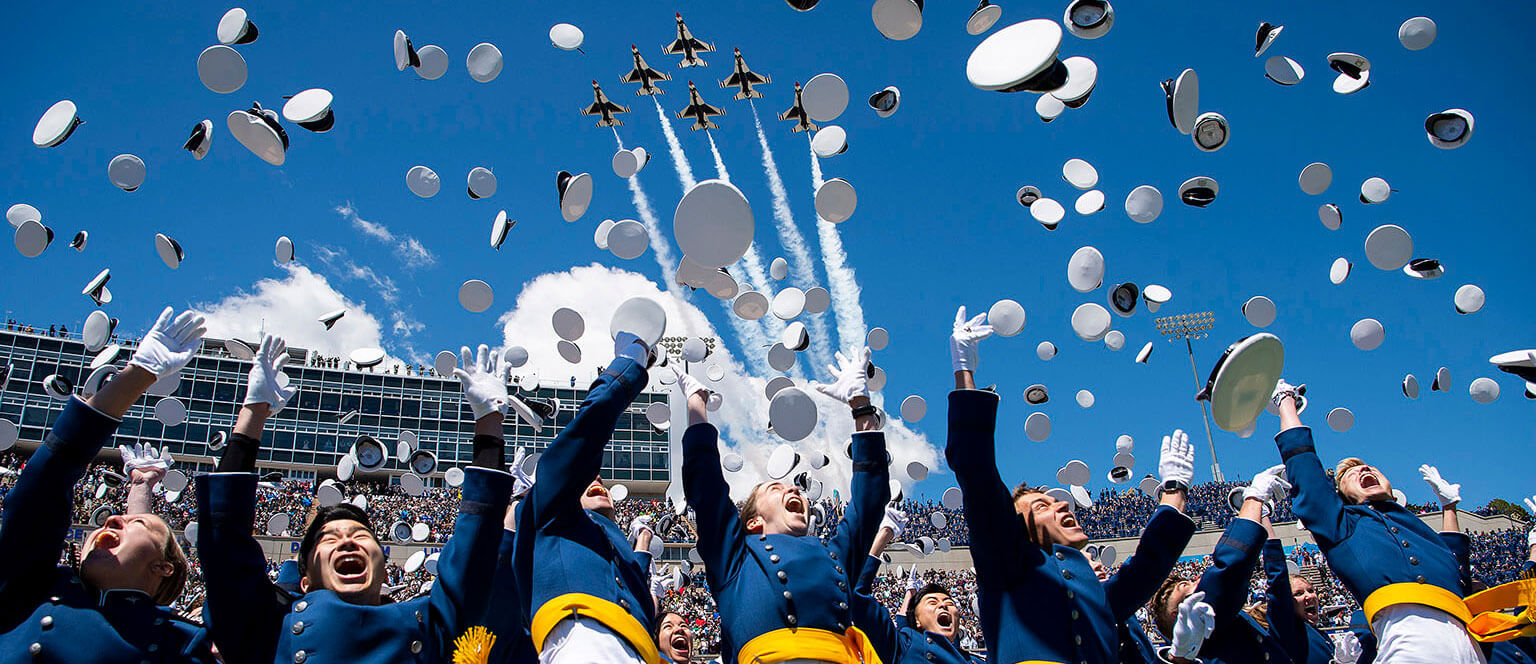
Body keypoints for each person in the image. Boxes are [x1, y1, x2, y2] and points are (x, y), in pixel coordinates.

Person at [197, 338, 515, 664]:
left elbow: (477, 540)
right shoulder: (269, 628)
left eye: (361, 535)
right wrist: (255, 410)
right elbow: (224, 542)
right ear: (304, 582)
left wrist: (489, 420)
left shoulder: (429, 622)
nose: (348, 541)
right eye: (329, 538)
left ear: (384, 571)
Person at [943, 306, 1196, 664]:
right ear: (1018, 529)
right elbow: (976, 468)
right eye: (1042, 506)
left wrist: (1173, 489)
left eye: (1056, 501)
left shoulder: (1094, 592)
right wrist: (963, 368)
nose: (1063, 505)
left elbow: (1148, 564)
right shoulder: (1006, 564)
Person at [0, 306, 214, 662]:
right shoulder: (30, 586)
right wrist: (139, 374)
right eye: (114, 522)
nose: (111, 520)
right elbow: (44, 485)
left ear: (164, 569)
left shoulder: (180, 641)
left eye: (130, 524)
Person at [681, 347, 888, 664]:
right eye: (775, 487)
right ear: (753, 522)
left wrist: (861, 408)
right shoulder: (736, 557)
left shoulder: (833, 556)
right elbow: (706, 486)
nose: (793, 487)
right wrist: (696, 403)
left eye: (793, 488)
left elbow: (868, 503)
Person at [1269, 379, 1485, 663]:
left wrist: (1449, 507)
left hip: (1471, 646)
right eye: (1350, 475)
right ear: (1342, 496)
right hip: (1409, 646)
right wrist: (1286, 402)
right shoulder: (1344, 527)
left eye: (1369, 468)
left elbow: (1457, 570)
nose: (1364, 470)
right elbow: (1305, 468)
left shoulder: (1415, 526)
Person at [510, 333, 659, 664]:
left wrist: (644, 546)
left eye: (601, 479)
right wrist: (631, 359)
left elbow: (635, 580)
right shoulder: (549, 510)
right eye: (587, 477)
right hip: (581, 645)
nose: (598, 479)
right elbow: (590, 426)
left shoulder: (615, 542)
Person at [1148, 464, 1294, 663]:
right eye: (1187, 590)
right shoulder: (1208, 638)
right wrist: (1254, 497)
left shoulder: (1233, 627)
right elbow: (1228, 569)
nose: (1198, 580)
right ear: (1177, 617)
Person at [852, 507, 986, 664]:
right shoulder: (905, 646)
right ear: (917, 621)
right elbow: (858, 597)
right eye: (932, 602)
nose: (943, 606)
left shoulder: (976, 661)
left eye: (949, 603)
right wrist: (884, 534)